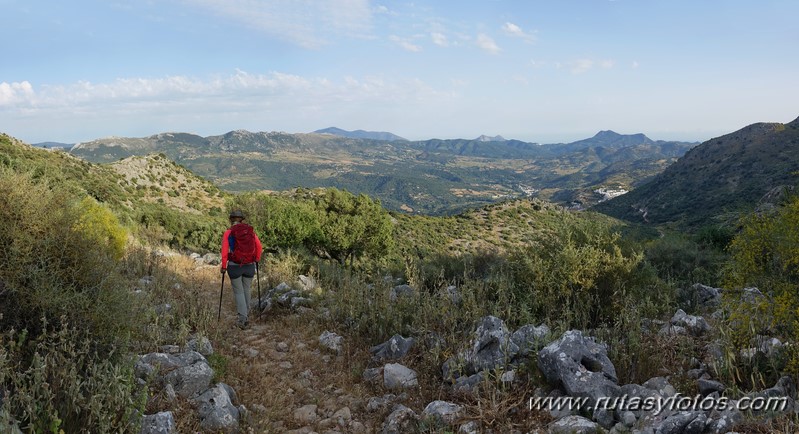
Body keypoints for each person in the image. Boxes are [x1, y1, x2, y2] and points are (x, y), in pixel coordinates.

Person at [220, 210, 262, 329]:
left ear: (231, 219)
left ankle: (242, 319)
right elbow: (259, 246)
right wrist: (257, 259)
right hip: (249, 265)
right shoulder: (250, 231)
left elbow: (224, 251)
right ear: (242, 219)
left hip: (235, 266)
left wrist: (223, 266)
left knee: (239, 292)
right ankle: (246, 315)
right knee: (247, 289)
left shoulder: (228, 232)